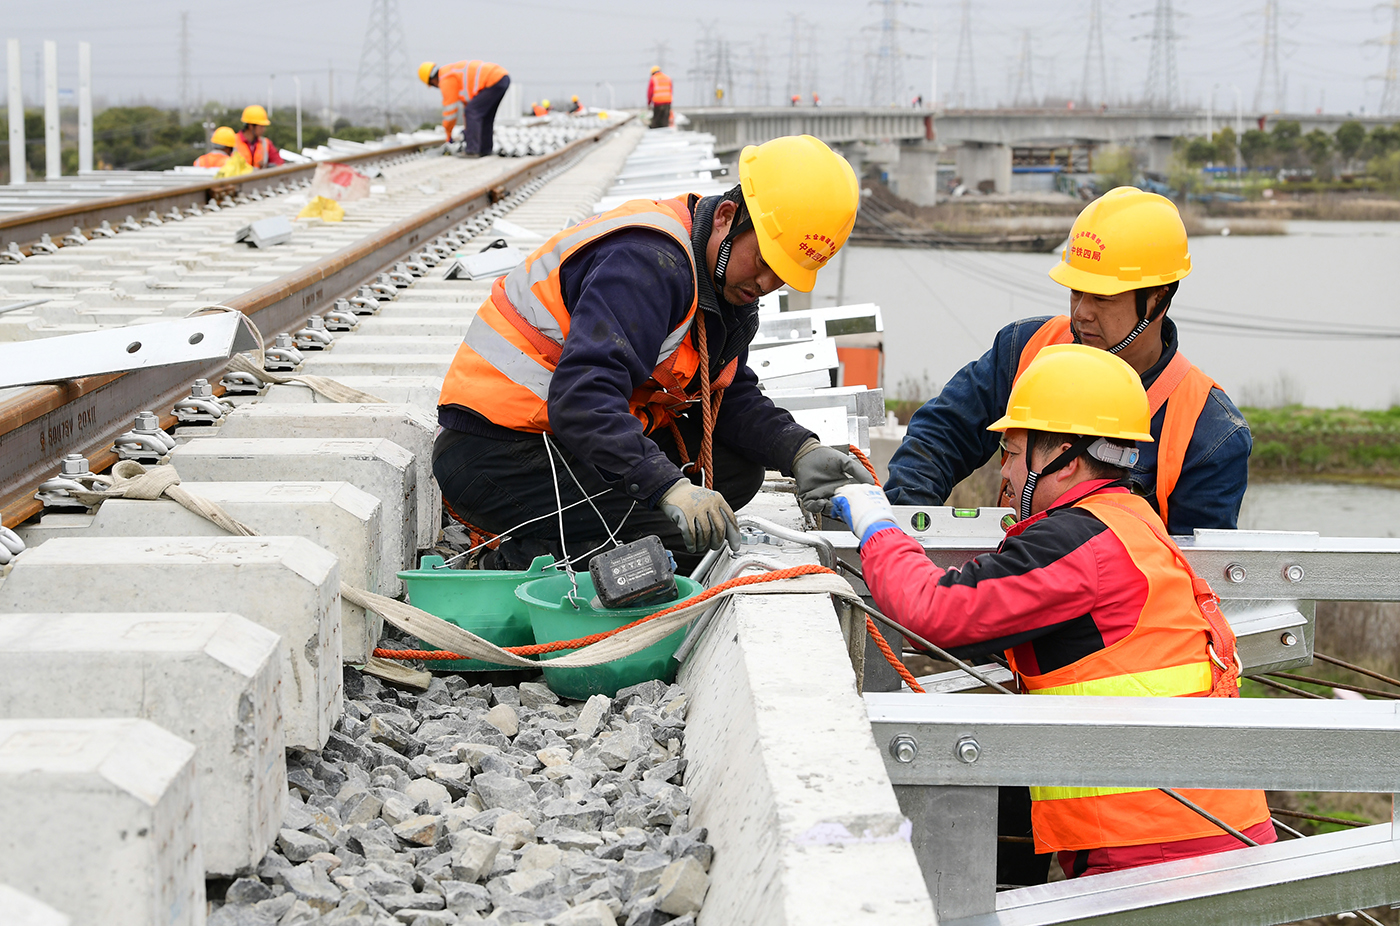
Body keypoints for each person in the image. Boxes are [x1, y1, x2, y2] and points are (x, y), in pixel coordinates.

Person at [834, 344, 1275, 879]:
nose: (1006, 471)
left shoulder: (1074, 544)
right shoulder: (1131, 521)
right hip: (1200, 834)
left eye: (1015, 452)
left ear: (1063, 458)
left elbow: (934, 610)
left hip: (1155, 851)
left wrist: (878, 528)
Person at [433, 135, 872, 571]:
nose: (765, 284)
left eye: (781, 276)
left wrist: (798, 450)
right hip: (498, 453)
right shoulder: (646, 264)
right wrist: (667, 488)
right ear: (725, 217)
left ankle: (561, 533)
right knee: (692, 544)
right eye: (762, 261)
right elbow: (583, 399)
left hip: (567, 437)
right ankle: (510, 563)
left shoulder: (722, 285)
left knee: (737, 469)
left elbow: (728, 393)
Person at [885, 187, 1250, 536]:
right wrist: (906, 527)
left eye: (1103, 298)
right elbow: (939, 437)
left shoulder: (1208, 431)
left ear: (1158, 298)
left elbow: (1193, 570)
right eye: (1076, 291)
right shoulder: (1025, 349)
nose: (1081, 313)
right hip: (1008, 581)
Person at [419, 59, 510, 157]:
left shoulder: (446, 79)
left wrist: (448, 133)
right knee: (485, 116)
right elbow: (468, 109)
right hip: (501, 78)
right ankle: (485, 149)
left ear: (432, 81)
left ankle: (472, 150)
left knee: (473, 111)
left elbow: (450, 112)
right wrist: (468, 129)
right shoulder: (450, 72)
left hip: (494, 80)